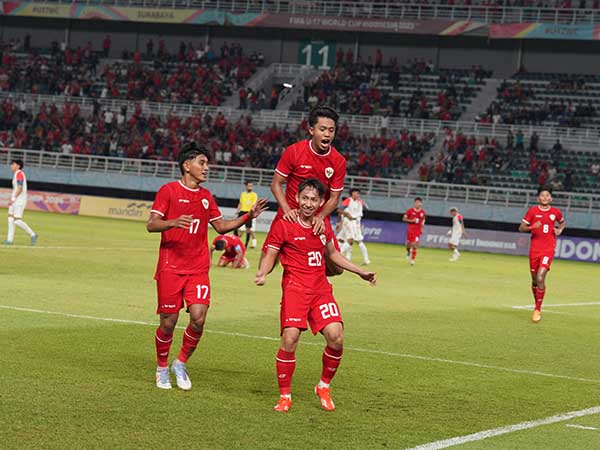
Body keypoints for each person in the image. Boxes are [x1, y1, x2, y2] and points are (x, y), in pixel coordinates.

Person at [147, 143, 267, 390]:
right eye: (201, 162)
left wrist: (248, 216)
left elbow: (221, 227)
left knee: (199, 319)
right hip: (171, 266)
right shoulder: (168, 191)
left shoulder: (206, 196)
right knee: (168, 322)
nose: (206, 167)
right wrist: (173, 222)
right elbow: (151, 224)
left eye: (206, 163)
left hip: (198, 268)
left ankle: (180, 363)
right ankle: (161, 368)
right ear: (186, 165)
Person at [255, 178, 376, 413]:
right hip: (295, 290)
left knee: (336, 336)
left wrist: (360, 271)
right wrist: (263, 272)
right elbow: (271, 252)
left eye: (314, 200)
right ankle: (285, 396)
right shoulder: (284, 224)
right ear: (297, 199)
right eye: (305, 198)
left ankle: (323, 386)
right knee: (290, 338)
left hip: (321, 290)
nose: (309, 203)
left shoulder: (323, 225)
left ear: (321, 202)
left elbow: (333, 255)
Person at [267, 105, 347, 275]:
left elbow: (334, 198)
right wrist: (287, 210)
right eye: (323, 129)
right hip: (289, 213)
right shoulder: (294, 151)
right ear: (311, 130)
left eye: (331, 130)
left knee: (337, 269)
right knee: (267, 264)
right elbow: (276, 184)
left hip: (317, 216)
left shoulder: (338, 161)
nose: (327, 134)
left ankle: (307, 271)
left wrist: (320, 216)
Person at [519, 186, 565, 324]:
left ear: (551, 198)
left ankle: (537, 309)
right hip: (534, 250)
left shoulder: (556, 212)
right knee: (534, 280)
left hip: (548, 249)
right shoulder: (532, 211)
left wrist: (559, 230)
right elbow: (521, 228)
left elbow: (562, 223)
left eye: (547, 196)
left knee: (540, 277)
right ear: (538, 198)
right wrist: (532, 227)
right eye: (542, 195)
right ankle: (537, 303)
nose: (545, 198)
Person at [3, 159, 37, 246]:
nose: (11, 166)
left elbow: (20, 187)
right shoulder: (16, 174)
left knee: (17, 221)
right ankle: (9, 240)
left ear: (18, 166)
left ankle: (33, 234)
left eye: (13, 164)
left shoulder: (19, 174)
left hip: (19, 200)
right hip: (15, 199)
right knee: (10, 219)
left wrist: (13, 198)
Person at [338, 188, 370, 265]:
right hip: (348, 221)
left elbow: (367, 207)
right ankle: (340, 257)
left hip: (356, 222)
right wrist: (347, 214)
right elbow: (339, 210)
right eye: (355, 193)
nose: (357, 194)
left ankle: (366, 260)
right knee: (350, 240)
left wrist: (362, 202)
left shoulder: (359, 202)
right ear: (351, 193)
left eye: (358, 193)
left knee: (355, 240)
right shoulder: (348, 200)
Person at [402, 197, 426, 266]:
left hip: (417, 231)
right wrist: (412, 221)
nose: (417, 204)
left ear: (421, 204)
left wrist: (422, 227)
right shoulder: (410, 211)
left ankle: (412, 260)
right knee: (408, 244)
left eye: (419, 203)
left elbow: (423, 221)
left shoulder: (423, 213)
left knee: (415, 244)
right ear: (414, 203)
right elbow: (404, 219)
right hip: (410, 230)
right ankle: (408, 251)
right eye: (416, 202)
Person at [235, 181, 258, 249]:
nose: (250, 187)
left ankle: (250, 244)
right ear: (246, 186)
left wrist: (251, 213)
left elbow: (254, 205)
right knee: (239, 229)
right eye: (249, 186)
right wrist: (237, 211)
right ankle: (237, 243)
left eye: (251, 186)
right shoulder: (243, 194)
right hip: (242, 212)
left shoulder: (254, 195)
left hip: (249, 213)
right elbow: (240, 203)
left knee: (250, 230)